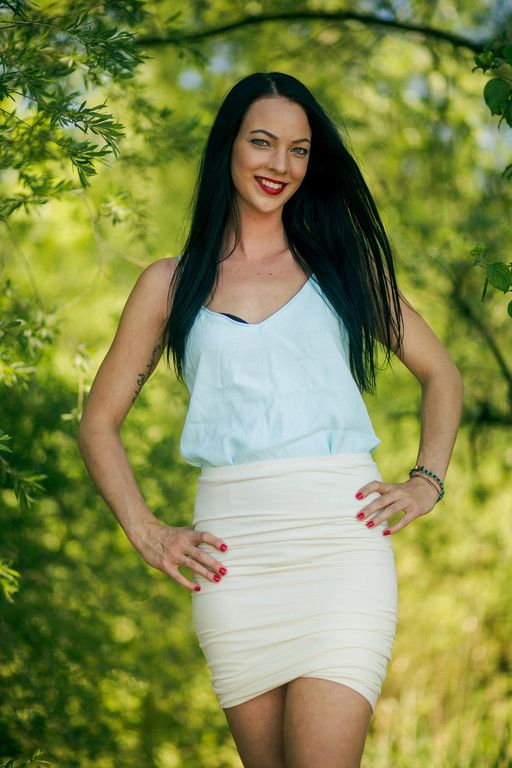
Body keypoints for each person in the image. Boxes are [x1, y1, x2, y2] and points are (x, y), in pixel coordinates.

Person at [77, 71, 464, 768]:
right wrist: (147, 532)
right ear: (229, 145)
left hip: (341, 550)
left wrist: (426, 481)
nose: (280, 164)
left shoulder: (343, 271)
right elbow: (98, 421)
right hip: (235, 561)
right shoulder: (170, 283)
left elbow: (442, 374)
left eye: (299, 149)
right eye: (262, 142)